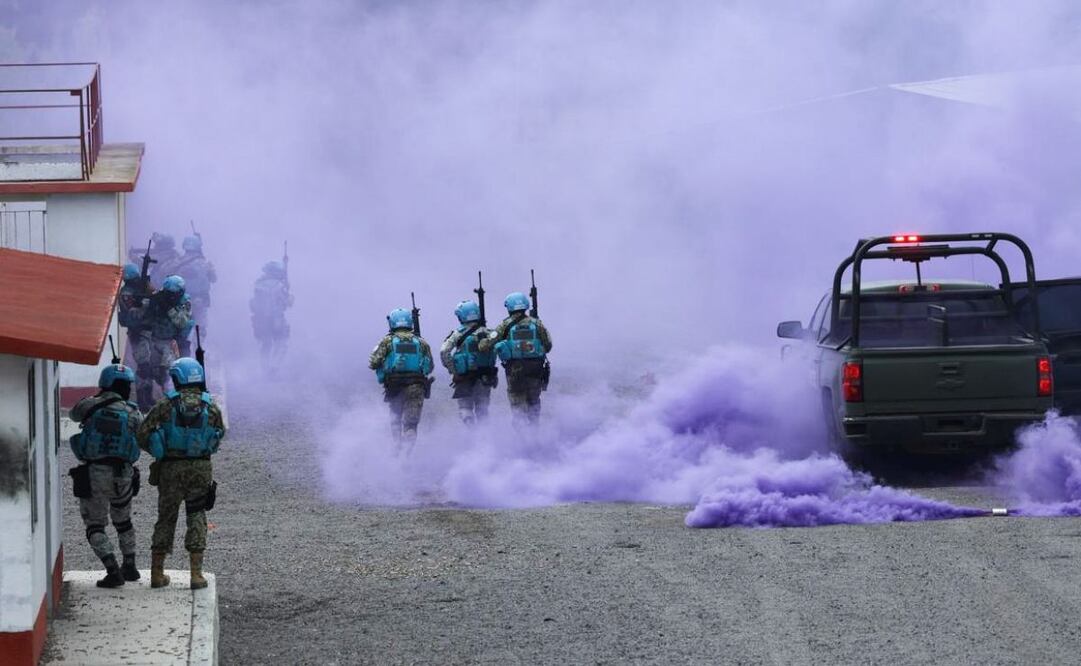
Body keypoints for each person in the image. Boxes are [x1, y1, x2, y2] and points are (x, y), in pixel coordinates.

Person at [136, 357, 225, 590]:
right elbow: (219, 433)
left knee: (166, 517)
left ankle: (157, 574)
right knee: (196, 516)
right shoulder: (210, 406)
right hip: (200, 469)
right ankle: (196, 575)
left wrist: (158, 450)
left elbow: (142, 433)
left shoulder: (166, 405)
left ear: (177, 379)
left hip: (170, 468)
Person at [68, 363, 144, 588]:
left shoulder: (91, 405)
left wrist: (96, 397)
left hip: (96, 474)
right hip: (124, 475)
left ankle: (112, 570)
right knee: (123, 521)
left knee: (95, 525)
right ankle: (129, 565)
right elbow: (143, 436)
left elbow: (74, 414)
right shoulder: (133, 412)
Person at [479, 292, 553, 424]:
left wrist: (482, 339)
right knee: (534, 402)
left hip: (515, 370)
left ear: (509, 308)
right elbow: (548, 345)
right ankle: (535, 431)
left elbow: (484, 346)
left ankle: (521, 433)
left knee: (518, 404)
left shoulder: (504, 325)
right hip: (536, 369)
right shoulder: (537, 323)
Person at [369, 308, 434, 452]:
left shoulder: (387, 341)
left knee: (395, 421)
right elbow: (429, 367)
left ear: (392, 322)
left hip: (394, 387)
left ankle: (397, 449)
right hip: (416, 387)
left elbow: (373, 363)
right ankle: (407, 453)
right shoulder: (421, 342)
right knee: (411, 425)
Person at [132, 275, 193, 411]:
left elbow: (182, 322)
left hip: (170, 341)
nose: (170, 297)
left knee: (168, 373)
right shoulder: (159, 297)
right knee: (144, 370)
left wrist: (169, 308)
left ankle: (170, 404)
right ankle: (143, 400)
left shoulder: (185, 302)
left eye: (173, 295)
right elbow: (140, 314)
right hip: (151, 338)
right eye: (168, 294)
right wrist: (142, 304)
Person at [440, 300, 497, 424]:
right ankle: (484, 434)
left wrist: (454, 371)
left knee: (465, 408)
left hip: (464, 377)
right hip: (485, 377)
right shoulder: (489, 333)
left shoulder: (458, 334)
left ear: (461, 316)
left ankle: (471, 430)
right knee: (483, 410)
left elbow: (444, 351)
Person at [169, 235, 217, 337]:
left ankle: (181, 344)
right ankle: (198, 345)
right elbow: (214, 279)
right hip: (200, 299)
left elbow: (168, 275)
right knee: (200, 327)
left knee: (180, 325)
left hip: (181, 298)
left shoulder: (177, 261)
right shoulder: (205, 263)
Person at [250, 261, 293, 364]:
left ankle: (264, 367)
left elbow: (253, 304)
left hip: (261, 320)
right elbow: (288, 302)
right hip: (276, 319)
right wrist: (289, 293)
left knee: (266, 345)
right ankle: (274, 366)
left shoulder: (258, 284)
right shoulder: (279, 285)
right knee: (281, 343)